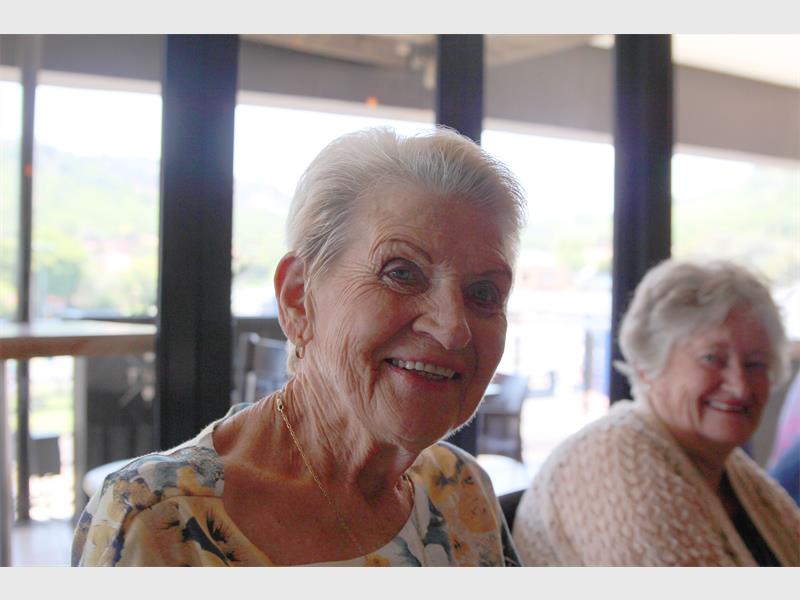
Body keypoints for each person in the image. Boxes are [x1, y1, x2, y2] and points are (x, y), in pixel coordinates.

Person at [72, 127, 526, 566]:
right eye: (402, 273)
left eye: (484, 293)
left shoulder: (461, 490)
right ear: (298, 298)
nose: (453, 329)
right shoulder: (158, 521)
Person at [512, 259, 800, 566]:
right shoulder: (611, 459)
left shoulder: (731, 469)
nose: (740, 386)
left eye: (755, 364)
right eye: (712, 359)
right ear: (647, 366)